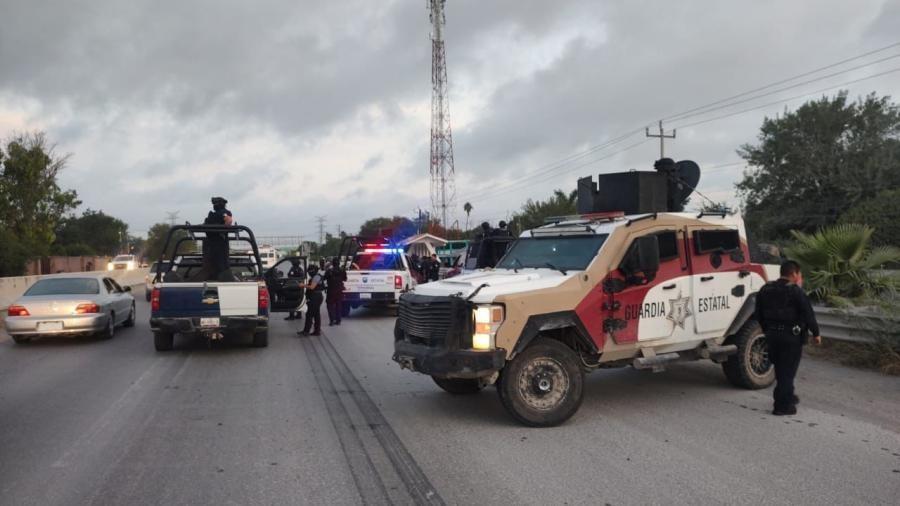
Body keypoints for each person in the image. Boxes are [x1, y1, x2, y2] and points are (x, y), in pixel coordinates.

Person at [755, 260, 821, 416]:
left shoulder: (765, 289)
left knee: (780, 369)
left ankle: (788, 396)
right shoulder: (795, 292)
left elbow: (758, 313)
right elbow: (808, 314)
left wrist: (767, 330)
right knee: (788, 372)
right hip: (791, 338)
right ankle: (782, 406)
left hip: (772, 336)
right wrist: (816, 333)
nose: (800, 277)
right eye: (799, 274)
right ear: (794, 274)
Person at [202, 196, 234, 281]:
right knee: (213, 264)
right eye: (214, 203)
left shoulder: (223, 212)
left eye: (216, 203)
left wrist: (222, 229)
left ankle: (219, 277)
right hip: (211, 244)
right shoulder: (212, 215)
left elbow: (229, 220)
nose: (214, 205)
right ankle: (213, 276)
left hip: (219, 243)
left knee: (221, 264)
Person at [298, 264, 325, 336]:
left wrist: (303, 285)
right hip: (317, 296)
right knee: (316, 314)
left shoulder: (316, 277)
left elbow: (312, 287)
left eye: (309, 271)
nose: (309, 272)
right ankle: (317, 331)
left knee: (309, 314)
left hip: (315, 297)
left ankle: (306, 331)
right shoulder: (317, 276)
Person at [325, 258, 347, 325]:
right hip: (339, 291)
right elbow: (345, 279)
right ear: (339, 263)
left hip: (331, 291)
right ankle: (338, 320)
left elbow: (324, 278)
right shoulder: (342, 270)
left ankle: (331, 320)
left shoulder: (329, 271)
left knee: (330, 306)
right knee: (338, 306)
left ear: (332, 263)